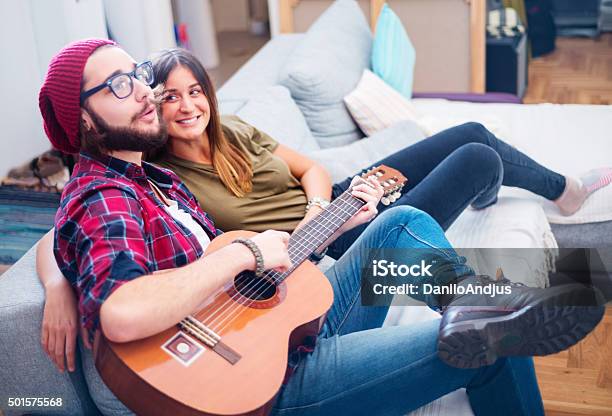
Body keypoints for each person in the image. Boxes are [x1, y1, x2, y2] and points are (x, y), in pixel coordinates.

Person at [36, 39, 603, 416]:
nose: (143, 90)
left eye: (135, 74)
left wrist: (63, 276)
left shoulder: (145, 182)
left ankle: (490, 298)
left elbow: (66, 235)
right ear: (80, 119)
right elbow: (121, 309)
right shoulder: (106, 191)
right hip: (257, 380)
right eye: (116, 85)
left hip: (276, 324)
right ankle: (503, 311)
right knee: (494, 343)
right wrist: (240, 256)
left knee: (401, 220)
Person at [146, 48, 612, 260]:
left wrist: (319, 207)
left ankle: (561, 191)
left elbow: (312, 168)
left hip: (339, 201)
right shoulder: (166, 180)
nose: (188, 106)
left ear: (208, 93)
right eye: (171, 97)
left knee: (472, 130)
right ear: (153, 108)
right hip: (333, 245)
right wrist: (65, 284)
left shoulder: (234, 131)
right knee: (478, 159)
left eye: (194, 91)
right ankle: (485, 191)